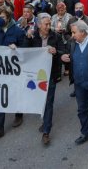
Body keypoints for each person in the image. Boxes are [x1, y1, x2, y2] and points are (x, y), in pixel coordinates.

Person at [23, 13, 65, 145]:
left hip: (50, 75)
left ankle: (46, 131)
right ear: (39, 25)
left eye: (49, 24)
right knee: (40, 100)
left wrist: (56, 52)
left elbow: (63, 51)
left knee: (48, 102)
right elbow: (24, 52)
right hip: (35, 75)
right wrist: (27, 38)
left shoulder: (56, 36)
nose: (48, 26)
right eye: (46, 24)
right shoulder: (32, 36)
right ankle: (45, 121)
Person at [0, 6, 25, 139]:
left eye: (2, 17)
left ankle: (19, 114)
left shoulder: (18, 32)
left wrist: (17, 49)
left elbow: (26, 52)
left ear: (8, 17)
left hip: (14, 70)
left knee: (15, 93)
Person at [51, 3, 72, 76]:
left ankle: (67, 69)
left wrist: (65, 29)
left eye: (62, 9)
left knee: (67, 53)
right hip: (56, 38)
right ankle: (58, 70)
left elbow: (72, 27)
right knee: (58, 53)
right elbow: (50, 26)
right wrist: (55, 29)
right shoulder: (53, 17)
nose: (60, 10)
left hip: (66, 38)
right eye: (58, 9)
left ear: (65, 9)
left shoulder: (69, 16)